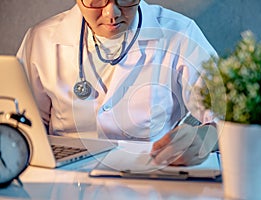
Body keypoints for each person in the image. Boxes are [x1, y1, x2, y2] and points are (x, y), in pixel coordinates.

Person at [17, 0, 218, 166]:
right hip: (61, 179)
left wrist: (206, 136)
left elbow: (230, 115)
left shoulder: (180, 34)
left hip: (150, 175)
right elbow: (21, 121)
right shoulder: (41, 39)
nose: (111, 13)